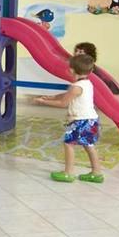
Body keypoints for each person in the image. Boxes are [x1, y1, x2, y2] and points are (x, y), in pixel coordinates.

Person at [34, 54, 104, 183]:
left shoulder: (76, 87)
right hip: (91, 120)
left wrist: (43, 102)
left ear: (71, 70)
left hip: (80, 121)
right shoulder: (86, 83)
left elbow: (63, 103)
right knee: (89, 145)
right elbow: (67, 95)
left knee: (69, 144)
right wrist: (52, 97)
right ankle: (97, 173)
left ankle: (68, 173)